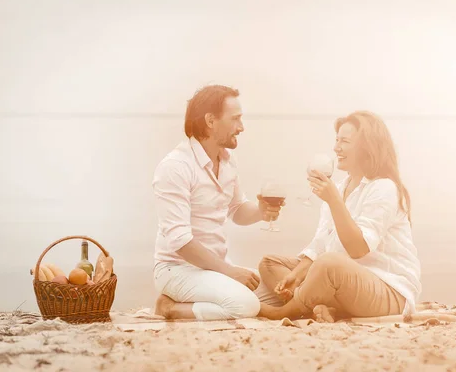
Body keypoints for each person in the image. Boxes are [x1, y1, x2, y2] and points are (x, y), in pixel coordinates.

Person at [258, 111, 421, 322]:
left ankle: (286, 310)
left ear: (366, 147)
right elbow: (321, 243)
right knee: (269, 263)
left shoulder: (384, 188)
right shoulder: (340, 187)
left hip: (388, 290)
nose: (336, 148)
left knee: (328, 264)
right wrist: (297, 275)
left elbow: (358, 249)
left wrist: (334, 201)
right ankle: (319, 304)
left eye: (344, 141)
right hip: (346, 282)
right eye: (336, 140)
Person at [152, 84, 284, 320]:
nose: (241, 127)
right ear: (210, 121)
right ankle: (169, 307)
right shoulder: (175, 167)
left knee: (281, 293)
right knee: (246, 306)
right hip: (177, 270)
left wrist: (261, 212)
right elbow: (180, 241)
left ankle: (204, 298)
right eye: (235, 119)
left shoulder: (227, 160)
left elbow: (237, 210)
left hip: (214, 268)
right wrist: (231, 272)